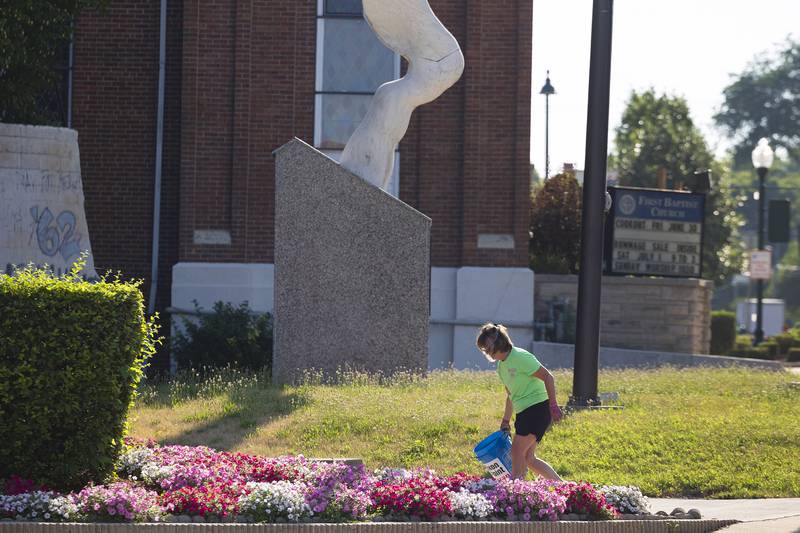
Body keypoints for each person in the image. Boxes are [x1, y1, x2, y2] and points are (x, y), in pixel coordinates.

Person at [476, 323, 563, 480]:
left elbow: (548, 377)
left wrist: (553, 406)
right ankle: (564, 487)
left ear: (498, 343)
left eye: (487, 347)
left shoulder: (520, 357)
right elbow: (511, 395)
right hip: (523, 413)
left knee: (516, 452)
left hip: (537, 409)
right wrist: (505, 420)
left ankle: (516, 494)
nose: (486, 352)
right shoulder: (501, 367)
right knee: (529, 458)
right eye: (484, 349)